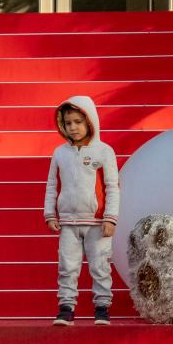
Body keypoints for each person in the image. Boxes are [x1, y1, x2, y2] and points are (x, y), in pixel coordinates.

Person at [44, 96, 120, 326]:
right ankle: (66, 309)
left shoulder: (104, 151)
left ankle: (102, 308)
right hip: (68, 221)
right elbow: (51, 185)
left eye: (78, 121)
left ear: (90, 121)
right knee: (67, 266)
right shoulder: (59, 153)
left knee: (100, 266)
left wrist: (110, 218)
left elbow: (112, 186)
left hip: (97, 222)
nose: (73, 127)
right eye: (68, 123)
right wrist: (50, 214)